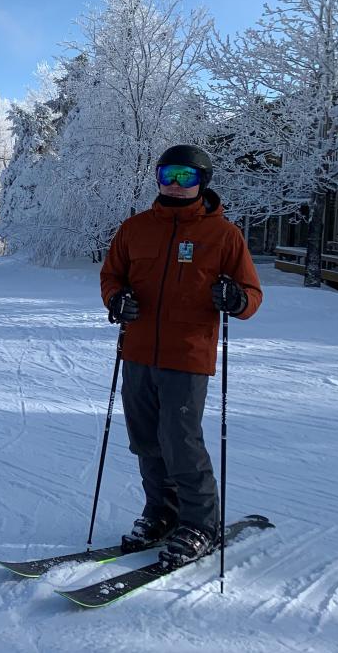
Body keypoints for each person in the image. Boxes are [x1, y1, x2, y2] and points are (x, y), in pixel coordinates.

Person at [100, 143, 262, 568]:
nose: (174, 184)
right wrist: (116, 300)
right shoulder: (135, 228)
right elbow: (111, 275)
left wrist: (236, 299)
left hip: (187, 355)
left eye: (185, 177)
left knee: (180, 441)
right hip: (136, 351)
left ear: (202, 183)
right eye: (167, 175)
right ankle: (161, 512)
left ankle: (200, 523)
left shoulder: (224, 235)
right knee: (145, 439)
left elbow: (252, 294)